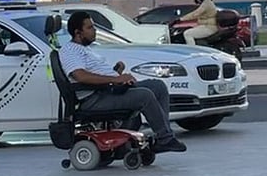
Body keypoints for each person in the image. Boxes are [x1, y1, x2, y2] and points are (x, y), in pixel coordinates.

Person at [59, 11, 186, 154]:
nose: (94, 31)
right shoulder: (69, 51)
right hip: (95, 98)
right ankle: (166, 139)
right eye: (90, 28)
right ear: (78, 32)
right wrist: (115, 79)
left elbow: (98, 75)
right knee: (145, 95)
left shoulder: (86, 49)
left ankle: (163, 135)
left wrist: (116, 72)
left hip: (110, 90)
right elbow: (80, 76)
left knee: (158, 86)